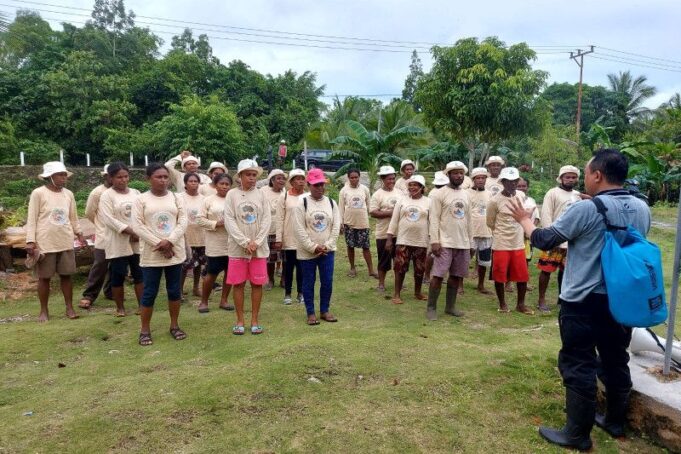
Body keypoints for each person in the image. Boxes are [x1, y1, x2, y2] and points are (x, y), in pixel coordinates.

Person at [508, 149, 651, 451]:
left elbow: (546, 239)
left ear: (597, 175)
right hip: (621, 300)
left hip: (583, 301)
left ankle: (577, 434)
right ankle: (614, 421)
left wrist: (524, 220)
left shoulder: (585, 209)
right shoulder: (642, 208)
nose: (583, 178)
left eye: (586, 173)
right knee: (615, 359)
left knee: (578, 363)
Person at [133, 163, 188, 346]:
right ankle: (144, 329)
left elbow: (183, 222)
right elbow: (138, 226)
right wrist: (160, 244)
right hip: (152, 253)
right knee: (149, 292)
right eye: (158, 177)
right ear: (148, 179)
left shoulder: (177, 197)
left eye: (165, 177)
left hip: (174, 252)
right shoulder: (140, 200)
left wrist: (170, 241)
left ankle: (174, 325)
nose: (163, 180)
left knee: (174, 291)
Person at [26, 161, 85, 322]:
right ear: (50, 176)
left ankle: (69, 308)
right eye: (60, 175)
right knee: (44, 277)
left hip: (65, 240)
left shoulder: (69, 194)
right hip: (45, 242)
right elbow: (32, 218)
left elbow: (73, 217)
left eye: (65, 175)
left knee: (66, 276)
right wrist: (30, 241)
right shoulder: (38, 193)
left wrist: (79, 233)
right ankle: (44, 311)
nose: (64, 178)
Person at [224, 159, 271, 335]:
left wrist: (256, 242)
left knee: (257, 284)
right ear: (240, 176)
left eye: (254, 175)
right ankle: (240, 320)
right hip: (238, 249)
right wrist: (244, 242)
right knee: (238, 284)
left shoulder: (261, 195)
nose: (251, 178)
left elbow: (267, 220)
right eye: (248, 175)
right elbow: (229, 220)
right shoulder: (232, 195)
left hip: (258, 249)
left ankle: (254, 320)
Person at [293, 168, 341, 325]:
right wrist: (313, 247)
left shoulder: (331, 203)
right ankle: (310, 313)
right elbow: (299, 228)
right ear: (308, 185)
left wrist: (327, 246)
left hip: (327, 252)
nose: (320, 188)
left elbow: (336, 227)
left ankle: (325, 310)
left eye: (322, 184)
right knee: (308, 282)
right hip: (307, 252)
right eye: (316, 185)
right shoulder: (302, 203)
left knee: (327, 281)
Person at [427, 161, 473, 320]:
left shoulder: (467, 194)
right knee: (438, 276)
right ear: (448, 175)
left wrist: (471, 242)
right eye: (455, 173)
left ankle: (450, 307)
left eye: (461, 173)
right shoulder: (439, 194)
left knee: (456, 276)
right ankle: (431, 307)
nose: (459, 176)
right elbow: (434, 219)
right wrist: (435, 241)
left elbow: (469, 220)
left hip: (463, 243)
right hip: (444, 242)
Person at [98, 162, 143, 316]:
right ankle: (120, 308)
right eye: (119, 177)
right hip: (117, 241)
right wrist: (130, 231)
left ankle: (141, 306)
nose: (123, 180)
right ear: (110, 178)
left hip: (137, 241)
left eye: (125, 176)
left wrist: (140, 232)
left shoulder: (136, 193)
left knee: (139, 273)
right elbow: (108, 219)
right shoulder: (106, 195)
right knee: (118, 274)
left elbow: (142, 215)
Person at [536, 165, 582, 312]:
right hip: (554, 238)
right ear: (561, 178)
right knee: (546, 270)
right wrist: (549, 235)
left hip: (571, 240)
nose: (570, 179)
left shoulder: (578, 195)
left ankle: (562, 298)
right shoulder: (553, 193)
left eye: (573, 177)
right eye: (567, 177)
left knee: (566, 272)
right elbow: (546, 214)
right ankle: (541, 299)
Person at [486, 167, 532, 315]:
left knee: (522, 275)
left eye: (515, 181)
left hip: (518, 243)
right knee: (499, 275)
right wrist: (502, 232)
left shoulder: (521, 196)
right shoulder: (494, 200)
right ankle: (502, 303)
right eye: (509, 181)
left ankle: (521, 304)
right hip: (501, 243)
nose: (512, 184)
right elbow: (490, 222)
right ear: (503, 182)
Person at [386, 175, 430, 305]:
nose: (412, 187)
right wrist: (389, 238)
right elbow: (394, 221)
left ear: (422, 187)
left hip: (421, 241)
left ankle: (418, 292)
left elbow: (432, 222)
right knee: (400, 268)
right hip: (403, 240)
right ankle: (397, 294)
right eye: (410, 185)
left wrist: (433, 239)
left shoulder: (429, 202)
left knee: (420, 269)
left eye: (415, 185)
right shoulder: (402, 201)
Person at [195, 173, 234, 312]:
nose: (224, 186)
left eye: (227, 184)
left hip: (232, 243)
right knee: (212, 272)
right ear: (215, 185)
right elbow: (199, 219)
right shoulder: (208, 200)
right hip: (215, 243)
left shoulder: (233, 199)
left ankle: (224, 300)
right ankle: (204, 302)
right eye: (221, 184)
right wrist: (216, 223)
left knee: (230, 273)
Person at [79, 165, 112, 309]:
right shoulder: (97, 193)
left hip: (121, 235)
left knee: (118, 266)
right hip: (104, 235)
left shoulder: (124, 192)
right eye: (111, 175)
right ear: (105, 176)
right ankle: (89, 294)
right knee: (100, 264)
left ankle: (110, 291)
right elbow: (89, 213)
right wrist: (100, 225)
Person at [275, 169, 306, 305]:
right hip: (289, 239)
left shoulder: (308, 197)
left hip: (303, 239)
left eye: (302, 179)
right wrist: (278, 238)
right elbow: (279, 218)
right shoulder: (285, 197)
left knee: (302, 268)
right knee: (288, 268)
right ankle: (287, 293)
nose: (300, 181)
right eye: (297, 179)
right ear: (292, 182)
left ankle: (300, 293)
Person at [338, 168, 376, 278]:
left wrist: (370, 215)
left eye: (356, 177)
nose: (354, 179)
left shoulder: (365, 189)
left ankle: (371, 270)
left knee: (366, 247)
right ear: (348, 178)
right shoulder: (343, 191)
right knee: (350, 246)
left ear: (359, 177)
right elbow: (341, 208)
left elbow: (369, 205)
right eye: (352, 177)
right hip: (349, 223)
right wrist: (341, 223)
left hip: (363, 222)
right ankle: (352, 268)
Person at [370, 165, 400, 293]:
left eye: (393, 179)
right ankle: (381, 284)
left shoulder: (400, 193)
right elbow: (373, 212)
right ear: (382, 179)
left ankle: (399, 283)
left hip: (399, 233)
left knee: (399, 261)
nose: (391, 181)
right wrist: (391, 213)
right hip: (383, 233)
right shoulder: (377, 195)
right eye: (389, 179)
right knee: (384, 260)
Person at [179, 173, 206, 299]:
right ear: (185, 183)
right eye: (191, 181)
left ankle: (196, 287)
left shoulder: (204, 199)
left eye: (196, 181)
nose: (194, 183)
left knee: (198, 264)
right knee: (184, 265)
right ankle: (179, 291)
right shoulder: (179, 197)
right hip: (186, 237)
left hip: (201, 236)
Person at [468, 167, 493, 295]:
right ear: (473, 179)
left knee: (484, 261)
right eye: (478, 178)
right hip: (471, 232)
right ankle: (459, 284)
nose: (481, 180)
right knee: (466, 258)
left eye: (483, 178)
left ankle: (481, 285)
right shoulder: (467, 193)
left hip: (486, 232)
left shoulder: (489, 194)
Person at [261, 169, 286, 290]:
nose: (281, 180)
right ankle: (270, 279)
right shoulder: (263, 192)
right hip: (269, 229)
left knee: (285, 256)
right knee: (270, 257)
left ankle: (284, 279)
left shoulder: (286, 193)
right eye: (278, 178)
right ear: (272, 180)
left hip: (284, 230)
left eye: (283, 178)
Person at [423, 171, 449, 284]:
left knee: (442, 252)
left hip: (443, 225)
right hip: (434, 225)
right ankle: (427, 276)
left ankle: (438, 274)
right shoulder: (434, 194)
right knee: (431, 252)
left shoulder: (443, 192)